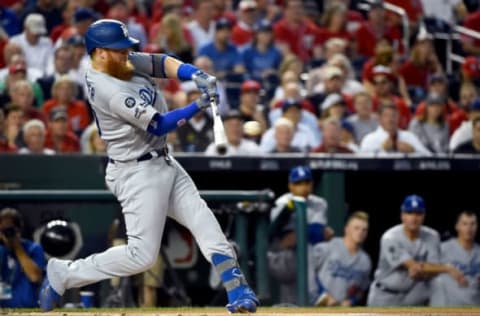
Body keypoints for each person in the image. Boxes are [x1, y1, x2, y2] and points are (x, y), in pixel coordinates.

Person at [39, 19, 259, 314]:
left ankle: (239, 290)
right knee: (141, 256)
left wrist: (195, 74)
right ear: (100, 53)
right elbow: (158, 124)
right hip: (135, 171)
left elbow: (159, 62)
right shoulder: (107, 87)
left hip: (161, 160)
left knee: (203, 220)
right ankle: (65, 273)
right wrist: (197, 105)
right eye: (119, 50)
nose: (126, 54)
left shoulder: (119, 62)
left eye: (126, 48)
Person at [367, 194, 466, 306]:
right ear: (402, 215)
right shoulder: (390, 237)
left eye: (418, 213)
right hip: (385, 294)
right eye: (409, 213)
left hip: (412, 294)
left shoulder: (432, 236)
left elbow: (433, 269)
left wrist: (428, 271)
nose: (414, 218)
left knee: (437, 283)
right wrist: (448, 268)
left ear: (424, 215)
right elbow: (413, 266)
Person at [268, 165, 334, 304]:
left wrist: (306, 234)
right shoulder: (282, 204)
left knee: (329, 247)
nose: (303, 187)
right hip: (279, 257)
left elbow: (319, 233)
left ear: (312, 184)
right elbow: (286, 240)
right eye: (298, 183)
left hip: (304, 254)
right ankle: (315, 294)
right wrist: (310, 233)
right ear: (290, 186)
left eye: (306, 182)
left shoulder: (320, 203)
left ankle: (331, 296)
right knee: (305, 245)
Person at [311, 211, 371, 306]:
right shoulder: (328, 247)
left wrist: (352, 301)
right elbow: (308, 273)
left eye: (364, 230)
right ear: (347, 229)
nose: (360, 232)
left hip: (341, 309)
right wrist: (323, 295)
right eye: (356, 228)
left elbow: (361, 290)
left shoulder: (365, 261)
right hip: (317, 305)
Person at [430, 211, 480, 306]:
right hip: (449, 307)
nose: (469, 228)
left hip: (475, 308)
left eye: (472, 224)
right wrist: (447, 268)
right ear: (457, 226)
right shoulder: (443, 248)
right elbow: (424, 267)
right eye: (465, 224)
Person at [0, 207, 46, 307]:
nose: (6, 234)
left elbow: (35, 277)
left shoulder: (33, 248)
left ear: (18, 230)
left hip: (27, 309)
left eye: (9, 230)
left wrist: (17, 247)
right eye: (2, 230)